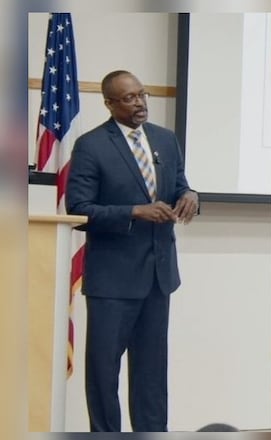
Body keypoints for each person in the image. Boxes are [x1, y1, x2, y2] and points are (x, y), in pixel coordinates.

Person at [66, 70, 199, 432]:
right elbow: (78, 209)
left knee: (152, 374)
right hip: (112, 280)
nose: (139, 103)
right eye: (129, 98)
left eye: (142, 95)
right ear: (109, 103)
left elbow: (181, 185)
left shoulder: (165, 140)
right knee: (103, 373)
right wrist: (133, 212)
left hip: (158, 277)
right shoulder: (92, 145)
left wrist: (191, 197)